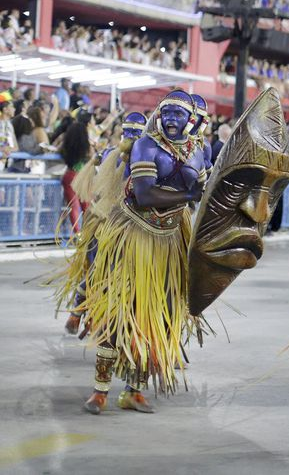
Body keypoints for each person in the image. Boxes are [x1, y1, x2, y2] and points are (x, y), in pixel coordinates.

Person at [80, 91, 207, 415]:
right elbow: (145, 193)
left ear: (191, 119)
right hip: (133, 235)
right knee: (116, 311)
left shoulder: (197, 150)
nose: (173, 120)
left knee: (159, 318)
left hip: (170, 241)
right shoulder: (145, 146)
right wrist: (187, 194)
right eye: (168, 113)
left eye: (180, 114)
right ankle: (100, 390)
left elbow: (203, 194)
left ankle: (134, 390)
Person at [57, 112, 148, 335]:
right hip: (106, 224)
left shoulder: (147, 157)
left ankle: (110, 320)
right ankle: (80, 313)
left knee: (116, 273)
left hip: (132, 225)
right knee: (98, 270)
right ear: (122, 133)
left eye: (137, 133)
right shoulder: (111, 155)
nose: (133, 136)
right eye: (129, 132)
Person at [58, 108, 93, 234]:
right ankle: (89, 233)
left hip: (69, 175)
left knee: (73, 206)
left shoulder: (66, 144)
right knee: (86, 206)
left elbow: (59, 150)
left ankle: (77, 234)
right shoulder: (87, 146)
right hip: (83, 176)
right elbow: (92, 157)